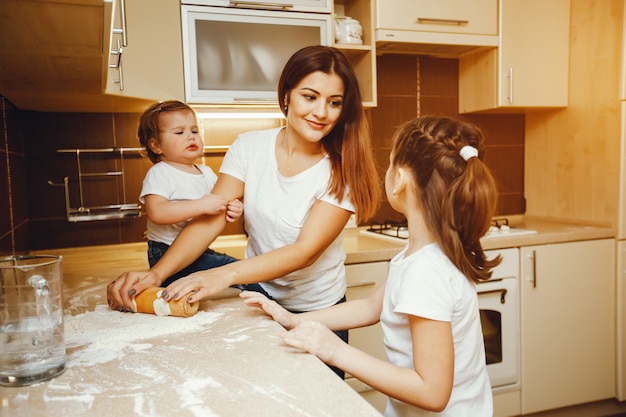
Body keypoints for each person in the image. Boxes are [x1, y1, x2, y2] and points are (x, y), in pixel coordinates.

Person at [107, 46, 381, 376]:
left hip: (318, 315)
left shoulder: (342, 169)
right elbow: (211, 219)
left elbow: (304, 252)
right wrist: (157, 274)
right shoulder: (250, 147)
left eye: (334, 102)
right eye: (310, 97)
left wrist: (223, 274)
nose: (321, 112)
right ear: (287, 96)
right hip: (259, 303)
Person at [241, 116, 501, 416]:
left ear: (399, 180)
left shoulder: (426, 272)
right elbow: (369, 308)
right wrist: (292, 319)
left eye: (390, 163)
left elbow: (432, 392)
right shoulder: (425, 252)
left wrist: (335, 350)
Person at [137, 100, 243, 288]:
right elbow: (157, 212)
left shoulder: (206, 172)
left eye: (194, 131)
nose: (190, 137)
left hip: (198, 249)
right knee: (239, 272)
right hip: (165, 252)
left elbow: (218, 203)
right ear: (156, 146)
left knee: (239, 269)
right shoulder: (160, 173)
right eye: (179, 132)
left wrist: (233, 208)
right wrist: (201, 205)